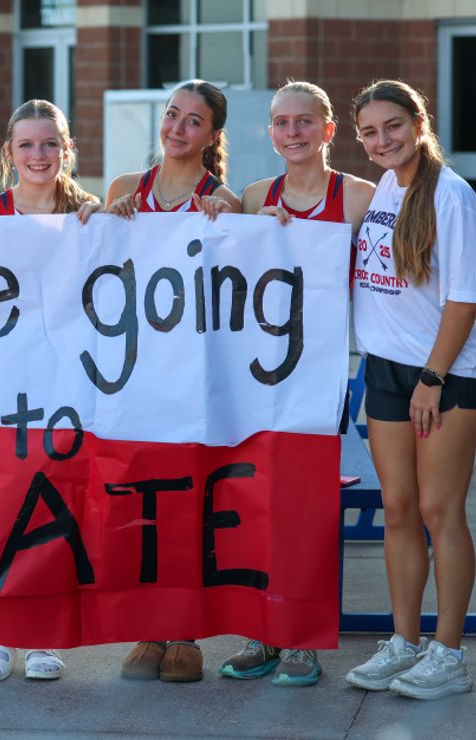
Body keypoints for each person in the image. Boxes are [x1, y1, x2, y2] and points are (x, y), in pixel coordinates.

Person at [219, 80, 374, 687]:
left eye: (305, 122)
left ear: (328, 130)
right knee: (256, 505)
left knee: (306, 511)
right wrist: (252, 229)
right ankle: (263, 630)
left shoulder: (360, 197)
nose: (293, 132)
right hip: (260, 379)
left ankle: (301, 641)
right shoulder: (257, 194)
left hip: (323, 382)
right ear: (271, 133)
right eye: (282, 123)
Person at [98, 80, 239, 683]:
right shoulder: (126, 190)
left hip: (193, 379)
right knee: (137, 504)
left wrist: (231, 225)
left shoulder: (225, 200)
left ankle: (186, 632)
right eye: (172, 116)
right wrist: (108, 219)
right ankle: (147, 629)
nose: (177, 129)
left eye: (193, 121)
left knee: (188, 504)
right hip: (130, 377)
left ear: (212, 135)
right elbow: (92, 269)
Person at [0, 99, 100, 682]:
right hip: (0, 389)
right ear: (8, 154)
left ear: (68, 150)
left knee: (55, 508)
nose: (38, 155)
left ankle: (42, 635)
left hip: (69, 388)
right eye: (27, 145)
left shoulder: (96, 217)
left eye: (50, 144)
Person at [344, 79, 476, 701]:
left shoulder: (450, 195)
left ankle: (448, 654)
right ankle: (404, 642)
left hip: (443, 375)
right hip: (385, 369)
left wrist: (433, 378)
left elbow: (464, 298)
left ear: (419, 123)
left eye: (393, 126)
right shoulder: (384, 190)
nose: (381, 140)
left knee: (438, 511)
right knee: (398, 508)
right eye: (369, 131)